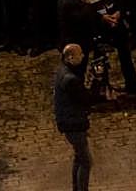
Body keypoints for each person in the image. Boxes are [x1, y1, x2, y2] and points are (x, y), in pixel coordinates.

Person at [54, 44, 92, 191]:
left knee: (79, 156)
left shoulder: (62, 71)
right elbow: (84, 99)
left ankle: (76, 188)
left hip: (68, 122)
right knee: (86, 161)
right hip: (73, 124)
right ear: (70, 57)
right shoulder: (70, 79)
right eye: (80, 54)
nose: (82, 56)